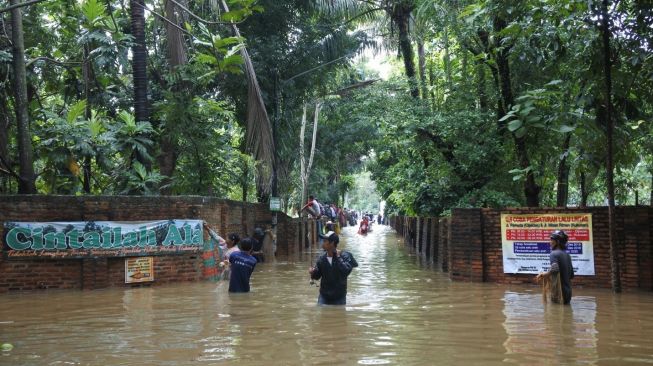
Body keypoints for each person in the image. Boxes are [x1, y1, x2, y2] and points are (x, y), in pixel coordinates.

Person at [309, 231, 358, 305]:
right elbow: (317, 276)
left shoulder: (345, 256)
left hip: (339, 297)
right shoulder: (322, 259)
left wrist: (337, 257)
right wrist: (313, 272)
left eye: (325, 241)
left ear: (332, 243)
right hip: (324, 296)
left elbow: (346, 271)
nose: (323, 243)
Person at [536, 230, 574, 304]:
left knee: (555, 313)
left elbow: (555, 269)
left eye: (552, 240)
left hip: (558, 293)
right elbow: (571, 275)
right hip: (568, 293)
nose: (550, 242)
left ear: (558, 242)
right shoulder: (567, 255)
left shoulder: (554, 254)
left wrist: (544, 275)